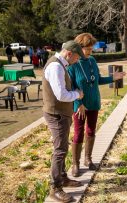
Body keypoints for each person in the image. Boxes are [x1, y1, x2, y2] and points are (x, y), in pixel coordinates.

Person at [68, 33, 126, 177]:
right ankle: (75, 164)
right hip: (80, 106)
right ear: (79, 48)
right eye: (87, 49)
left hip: (94, 102)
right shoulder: (73, 64)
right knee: (78, 133)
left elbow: (98, 80)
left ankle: (88, 159)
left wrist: (113, 78)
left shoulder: (92, 61)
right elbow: (71, 87)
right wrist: (79, 103)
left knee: (91, 131)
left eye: (91, 49)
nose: (90, 52)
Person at [42, 40, 85, 202]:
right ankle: (55, 188)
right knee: (60, 150)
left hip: (61, 114)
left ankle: (62, 177)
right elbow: (61, 95)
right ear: (69, 53)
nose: (77, 60)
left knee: (62, 148)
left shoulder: (60, 64)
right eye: (76, 58)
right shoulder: (56, 67)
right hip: (57, 115)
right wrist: (77, 94)